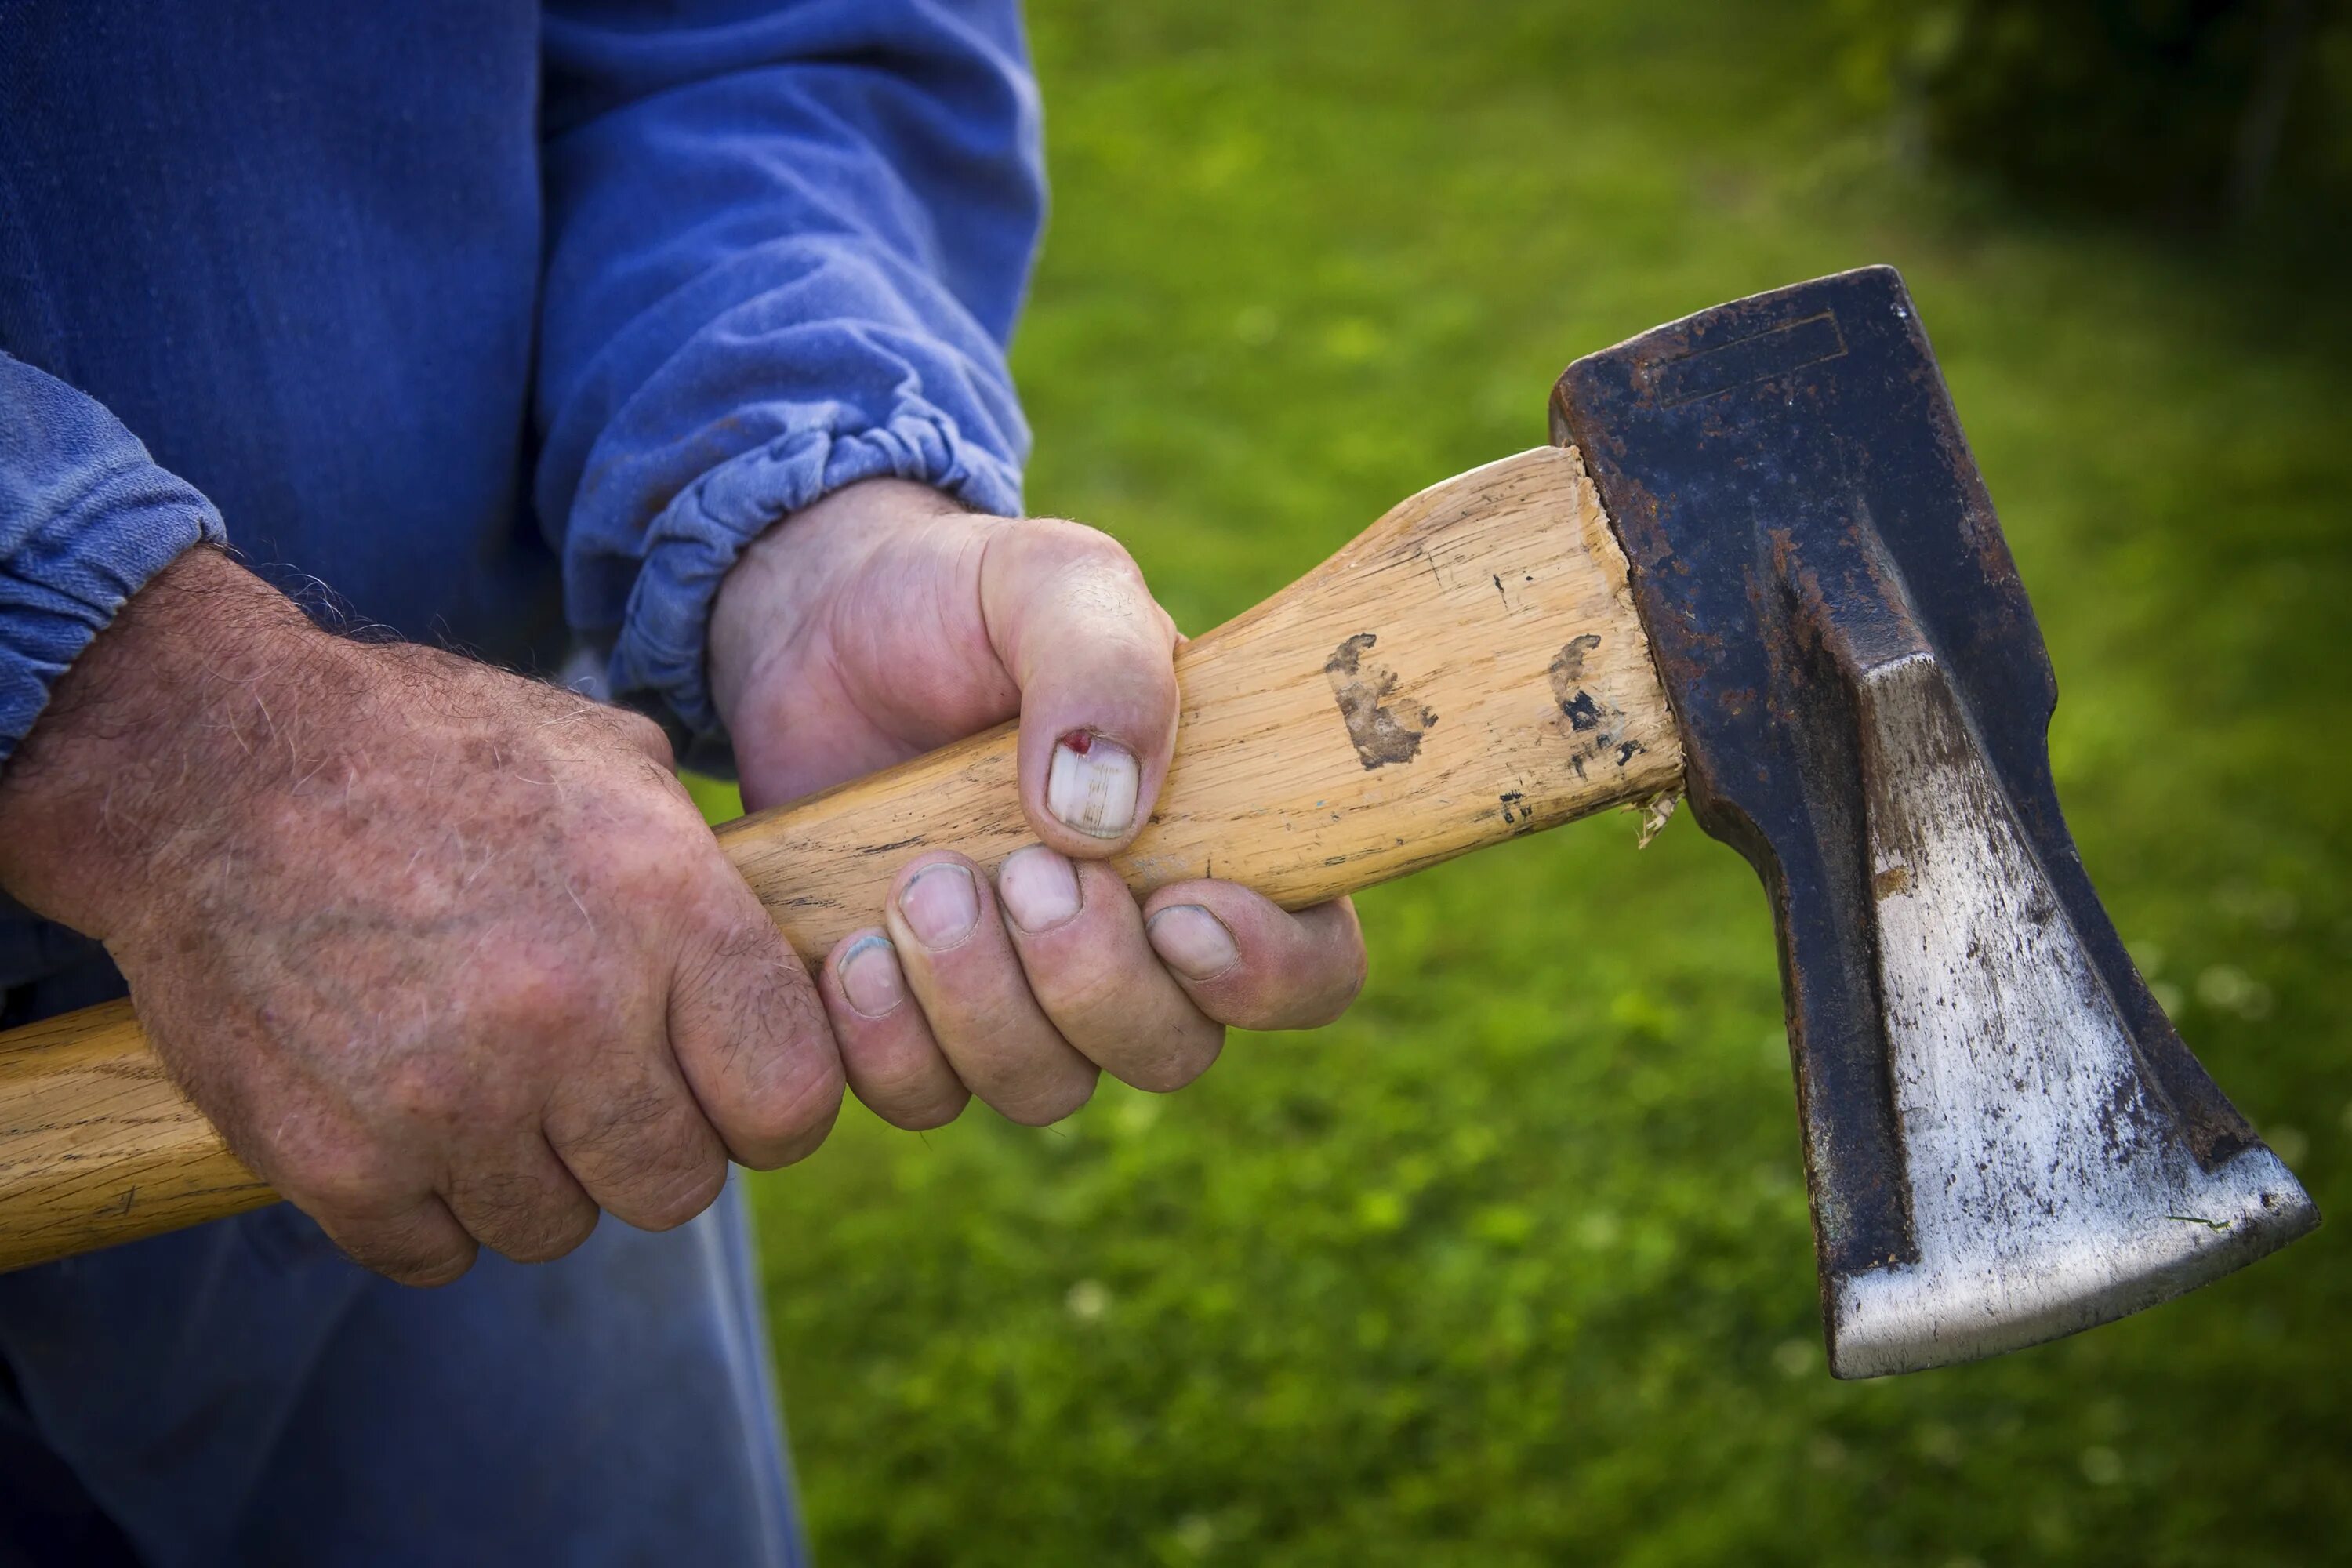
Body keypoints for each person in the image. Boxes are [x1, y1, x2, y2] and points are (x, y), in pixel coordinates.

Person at [0, 2, 1367, 1561]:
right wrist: (158, 732)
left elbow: (752, 36)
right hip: (417, 872)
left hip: (510, 949)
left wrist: (812, 510)